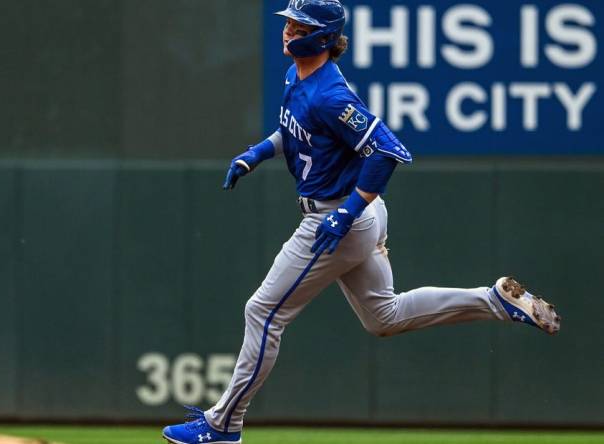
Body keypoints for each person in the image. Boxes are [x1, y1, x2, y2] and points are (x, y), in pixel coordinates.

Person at [162, 1, 561, 443]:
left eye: (301, 26)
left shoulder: (332, 95)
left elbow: (388, 151)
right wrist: (257, 154)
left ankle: (224, 425)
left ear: (326, 37)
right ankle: (492, 301)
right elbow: (296, 131)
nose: (290, 31)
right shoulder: (298, 76)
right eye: (290, 23)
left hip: (337, 218)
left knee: (262, 313)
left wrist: (346, 214)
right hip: (353, 215)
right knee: (383, 317)